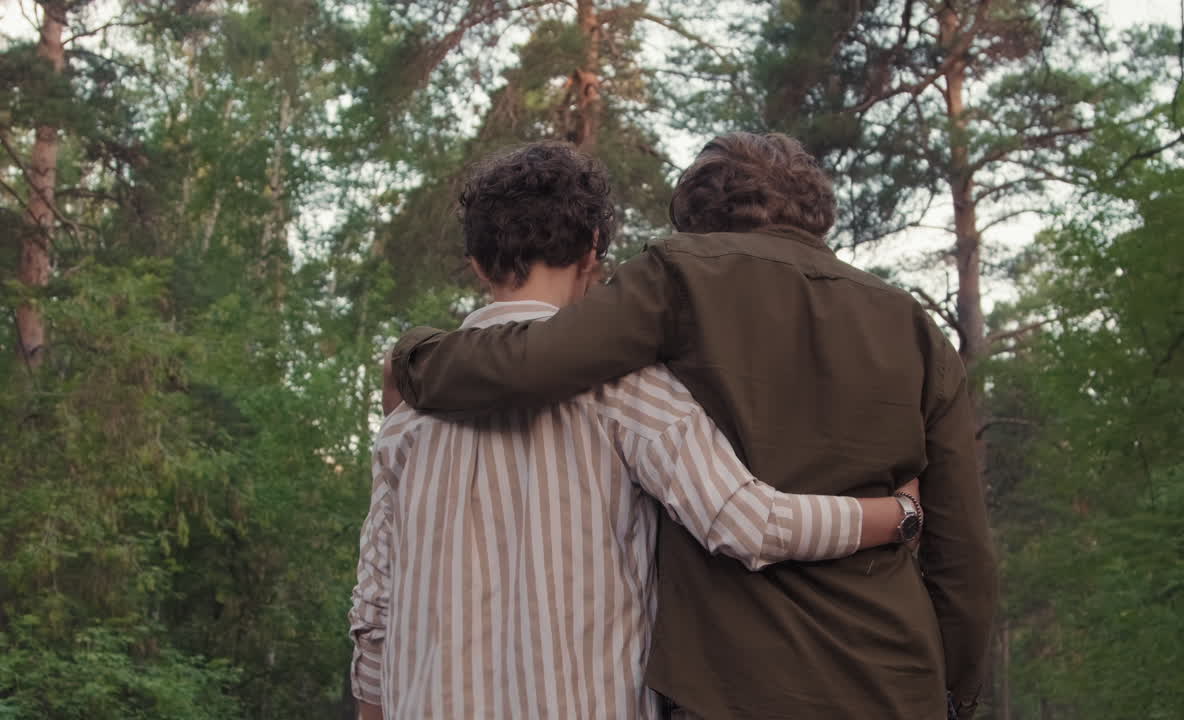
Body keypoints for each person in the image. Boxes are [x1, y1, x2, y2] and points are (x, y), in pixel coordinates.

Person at [389, 132, 998, 720]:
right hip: (895, 680)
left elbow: (532, 361)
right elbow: (963, 553)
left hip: (731, 684)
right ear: (817, 213)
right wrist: (957, 693)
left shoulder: (680, 278)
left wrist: (415, 356)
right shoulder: (917, 330)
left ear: (698, 217)